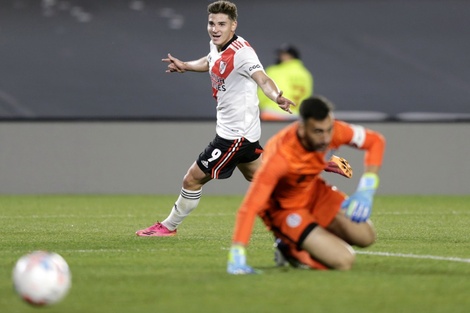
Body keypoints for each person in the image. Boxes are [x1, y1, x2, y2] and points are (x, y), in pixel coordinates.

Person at [135, 1, 295, 237]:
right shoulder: (216, 45)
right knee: (265, 179)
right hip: (242, 134)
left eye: (222, 24)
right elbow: (211, 61)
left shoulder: (243, 53)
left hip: (234, 137)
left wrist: (276, 95)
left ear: (233, 25)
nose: (215, 29)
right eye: (211, 23)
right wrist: (186, 66)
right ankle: (314, 191)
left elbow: (262, 78)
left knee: (192, 179)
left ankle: (168, 227)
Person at [227, 95, 386, 274]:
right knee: (344, 261)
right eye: (318, 132)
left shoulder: (335, 132)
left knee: (366, 236)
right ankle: (290, 248)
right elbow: (250, 206)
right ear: (302, 128)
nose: (326, 138)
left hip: (314, 191)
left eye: (329, 129)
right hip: (286, 208)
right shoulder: (280, 158)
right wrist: (237, 252)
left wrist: (367, 188)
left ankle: (310, 238)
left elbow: (376, 141)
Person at [258, 44, 313, 121]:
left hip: (272, 113)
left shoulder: (275, 70)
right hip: (295, 116)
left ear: (291, 56)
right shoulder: (305, 74)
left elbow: (263, 90)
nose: (281, 57)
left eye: (284, 54)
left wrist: (262, 106)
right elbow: (307, 95)